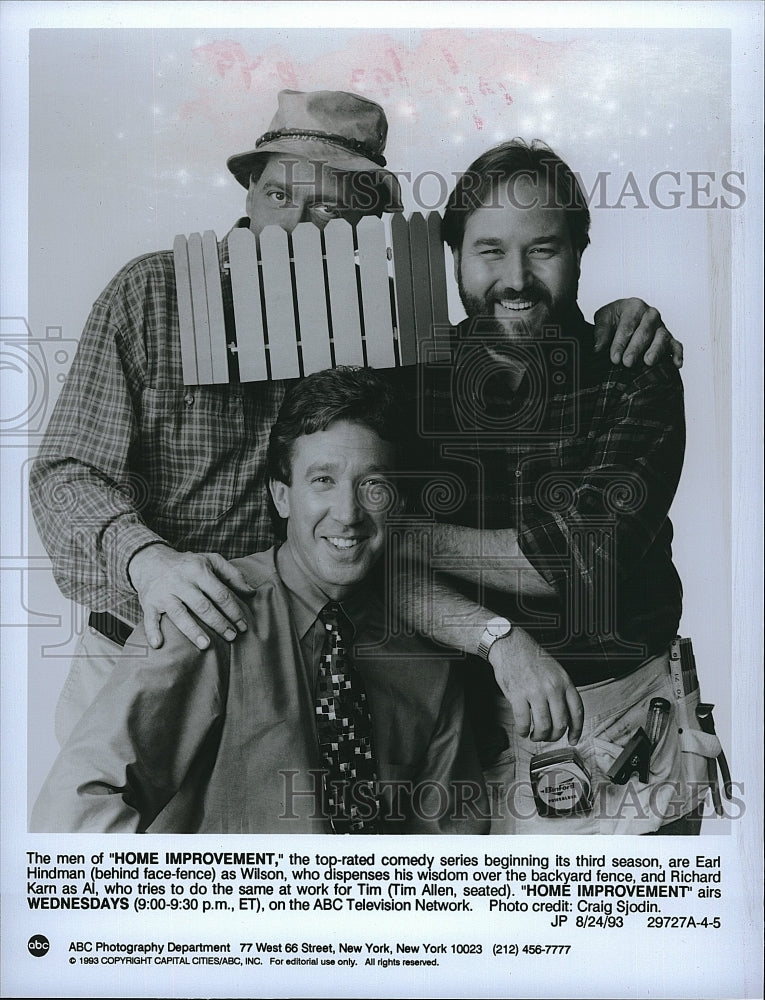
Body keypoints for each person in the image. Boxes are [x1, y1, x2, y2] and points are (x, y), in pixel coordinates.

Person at [30, 87, 682, 748]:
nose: (299, 226)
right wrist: (149, 564)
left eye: (332, 210)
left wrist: (619, 313)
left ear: (366, 226)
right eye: (282, 196)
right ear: (249, 190)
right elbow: (64, 474)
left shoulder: (390, 335)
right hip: (136, 650)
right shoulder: (153, 296)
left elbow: (544, 553)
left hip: (300, 677)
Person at [397, 139, 712, 834]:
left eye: (542, 248)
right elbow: (373, 575)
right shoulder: (407, 382)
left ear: (578, 253)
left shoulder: (634, 371)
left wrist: (396, 532)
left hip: (627, 734)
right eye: (488, 251)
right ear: (452, 257)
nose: (515, 279)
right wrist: (497, 638)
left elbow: (573, 557)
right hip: (455, 739)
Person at [30, 368, 489, 834]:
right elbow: (76, 807)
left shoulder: (428, 668)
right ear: (281, 495)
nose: (348, 515)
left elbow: (452, 852)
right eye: (323, 480)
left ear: (399, 502)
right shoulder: (205, 618)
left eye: (372, 485)